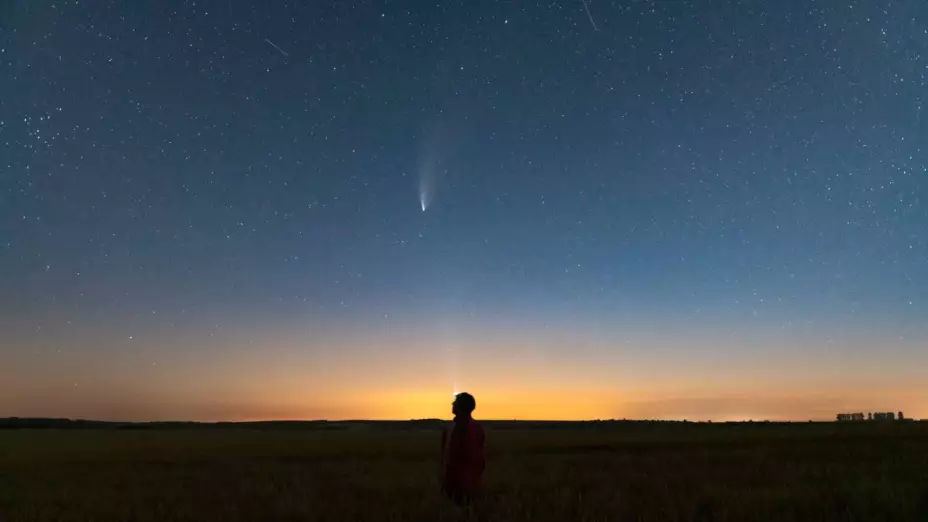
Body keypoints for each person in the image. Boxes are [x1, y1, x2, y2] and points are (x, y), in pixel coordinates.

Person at [439, 392, 485, 506]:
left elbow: (476, 459)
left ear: (461, 406)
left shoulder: (471, 429)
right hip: (453, 483)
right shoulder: (451, 428)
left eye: (455, 402)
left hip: (464, 484)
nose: (452, 404)